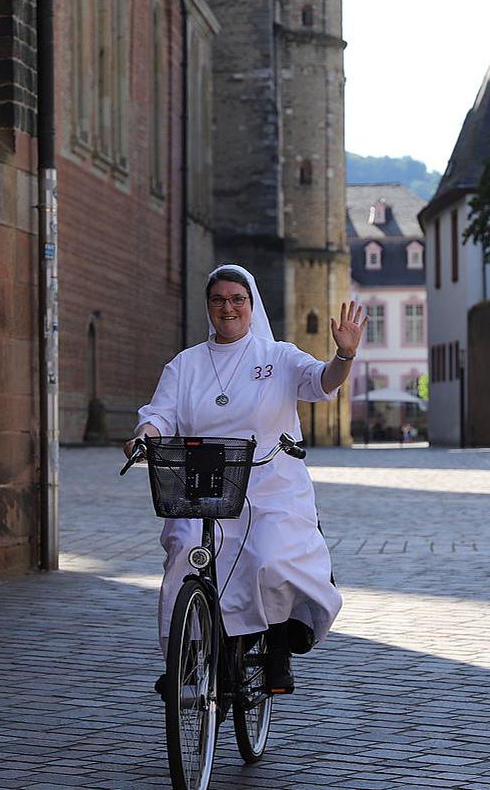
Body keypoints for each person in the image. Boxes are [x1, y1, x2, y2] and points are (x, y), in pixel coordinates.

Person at [128, 264, 365, 694]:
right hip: (204, 483)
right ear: (208, 306)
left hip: (270, 482)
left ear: (252, 305)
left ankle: (277, 644)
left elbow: (320, 381)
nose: (228, 308)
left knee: (270, 558)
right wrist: (145, 437)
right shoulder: (185, 365)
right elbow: (159, 415)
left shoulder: (278, 357)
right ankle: (189, 654)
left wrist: (344, 355)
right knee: (185, 552)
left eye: (237, 299)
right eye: (218, 299)